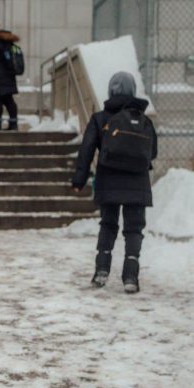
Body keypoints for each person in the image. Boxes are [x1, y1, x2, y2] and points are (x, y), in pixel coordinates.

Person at [71, 71, 157, 293]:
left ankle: (101, 270)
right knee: (134, 229)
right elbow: (153, 152)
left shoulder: (100, 118)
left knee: (108, 225)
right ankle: (131, 276)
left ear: (110, 91)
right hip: (138, 183)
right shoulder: (143, 119)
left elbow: (87, 149)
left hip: (108, 180)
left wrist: (79, 179)